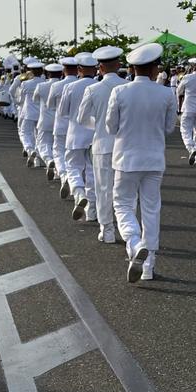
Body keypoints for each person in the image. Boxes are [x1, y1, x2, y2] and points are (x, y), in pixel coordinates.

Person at [105, 43, 178, 283]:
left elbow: (111, 127)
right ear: (155, 68)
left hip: (126, 158)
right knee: (151, 210)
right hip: (154, 159)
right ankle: (148, 267)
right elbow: (169, 127)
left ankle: (134, 243)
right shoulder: (166, 93)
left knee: (123, 205)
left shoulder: (120, 92)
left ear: (131, 68)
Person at [77, 46, 128, 244]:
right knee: (125, 191)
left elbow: (82, 118)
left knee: (103, 188)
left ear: (100, 67)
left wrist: (99, 125)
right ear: (119, 65)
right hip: (124, 145)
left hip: (101, 144)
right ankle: (127, 229)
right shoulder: (127, 86)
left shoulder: (92, 89)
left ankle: (107, 229)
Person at [61, 53, 99, 221]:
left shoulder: (71, 87)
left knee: (72, 167)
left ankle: (78, 192)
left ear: (79, 69)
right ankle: (91, 212)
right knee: (92, 172)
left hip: (75, 134)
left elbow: (62, 112)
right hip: (94, 135)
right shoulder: (99, 86)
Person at [49, 57, 79, 196]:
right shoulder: (82, 84)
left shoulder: (57, 86)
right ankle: (77, 185)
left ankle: (64, 176)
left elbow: (50, 105)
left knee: (59, 153)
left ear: (64, 69)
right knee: (78, 161)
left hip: (61, 125)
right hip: (78, 128)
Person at [175, 57, 196, 165]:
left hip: (189, 108)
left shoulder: (187, 77)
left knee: (185, 130)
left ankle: (191, 148)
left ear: (192, 66)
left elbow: (179, 91)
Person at [35, 63, 61, 176]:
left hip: (45, 120)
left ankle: (49, 160)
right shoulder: (64, 85)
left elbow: (35, 99)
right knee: (58, 148)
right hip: (60, 121)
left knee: (43, 144)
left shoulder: (41, 86)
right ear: (61, 73)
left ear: (47, 74)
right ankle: (56, 172)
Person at [17, 59, 45, 165]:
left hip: (28, 112)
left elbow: (21, 100)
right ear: (42, 71)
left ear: (31, 72)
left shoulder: (25, 84)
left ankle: (30, 150)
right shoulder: (45, 83)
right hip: (41, 113)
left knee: (24, 133)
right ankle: (37, 159)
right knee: (38, 136)